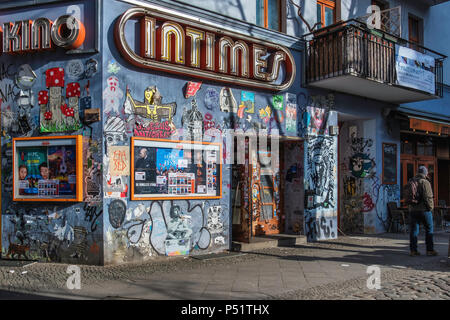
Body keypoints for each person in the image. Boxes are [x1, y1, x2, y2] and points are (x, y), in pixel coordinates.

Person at [409, 166, 438, 256]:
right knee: (429, 229)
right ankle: (430, 250)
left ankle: (413, 251)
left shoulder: (411, 181)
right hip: (424, 210)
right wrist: (431, 208)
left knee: (414, 230)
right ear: (425, 173)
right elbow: (428, 197)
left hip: (413, 210)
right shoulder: (425, 182)